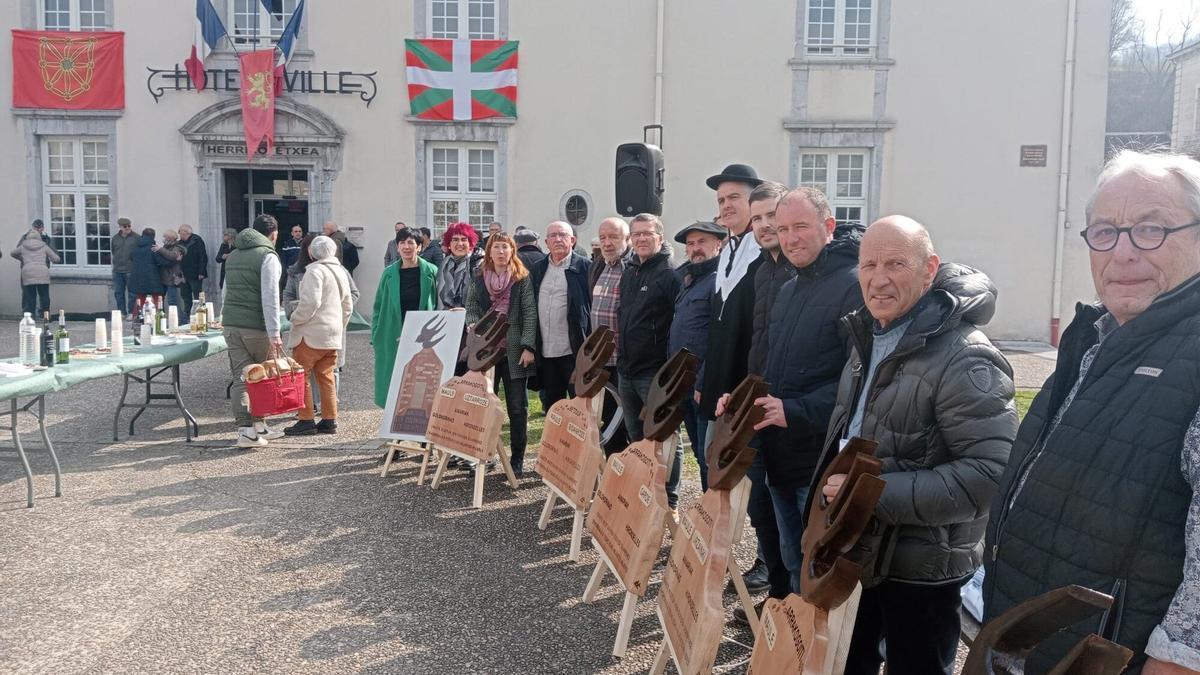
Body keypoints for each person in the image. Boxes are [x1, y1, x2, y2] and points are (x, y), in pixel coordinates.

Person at [985, 151, 1200, 675]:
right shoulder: (1097, 339)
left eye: (1151, 228)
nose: (1122, 252)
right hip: (1038, 643)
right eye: (1105, 231)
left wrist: (1177, 661)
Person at [807, 216, 1016, 675]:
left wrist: (866, 494)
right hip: (860, 546)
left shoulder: (967, 355)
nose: (878, 279)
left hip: (922, 567)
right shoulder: (870, 333)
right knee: (846, 661)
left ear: (929, 269)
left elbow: (989, 475)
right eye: (869, 265)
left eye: (896, 264)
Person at [747, 187, 863, 603]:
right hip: (780, 452)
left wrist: (795, 410)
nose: (791, 238)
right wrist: (744, 403)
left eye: (800, 227)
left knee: (822, 568)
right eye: (783, 229)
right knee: (792, 556)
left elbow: (858, 380)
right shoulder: (789, 289)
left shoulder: (854, 287)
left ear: (828, 227)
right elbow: (775, 369)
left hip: (821, 459)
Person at [699, 163, 770, 594]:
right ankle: (716, 548)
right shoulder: (726, 252)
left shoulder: (763, 255)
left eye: (734, 199)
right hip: (720, 386)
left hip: (749, 387)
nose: (725, 206)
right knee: (717, 468)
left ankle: (763, 559)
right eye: (721, 200)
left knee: (757, 480)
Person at [616, 214, 683, 508]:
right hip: (627, 368)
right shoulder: (630, 271)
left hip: (654, 371)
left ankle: (669, 499)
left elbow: (678, 324)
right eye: (636, 234)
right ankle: (644, 489)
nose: (641, 239)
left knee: (665, 436)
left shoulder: (670, 273)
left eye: (647, 233)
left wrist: (669, 369)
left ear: (659, 236)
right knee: (637, 436)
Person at [465, 233, 537, 475]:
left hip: (514, 349)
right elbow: (472, 306)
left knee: (517, 407)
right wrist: (475, 326)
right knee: (486, 405)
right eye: (496, 247)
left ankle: (517, 458)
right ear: (489, 251)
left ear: (512, 250)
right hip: (487, 349)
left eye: (505, 247)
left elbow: (529, 312)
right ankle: (486, 455)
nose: (501, 252)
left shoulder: (521, 278)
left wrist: (528, 346)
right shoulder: (478, 278)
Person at [221, 214, 287, 448]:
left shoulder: (234, 255)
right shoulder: (268, 256)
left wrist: (224, 317)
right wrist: (275, 332)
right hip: (256, 326)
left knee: (241, 376)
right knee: (262, 377)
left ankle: (251, 428)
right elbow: (270, 296)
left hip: (231, 324)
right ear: (273, 234)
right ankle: (252, 429)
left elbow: (225, 291)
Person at [667, 220, 724, 485]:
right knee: (699, 454)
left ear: (718, 244)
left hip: (704, 386)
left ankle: (712, 517)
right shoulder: (688, 280)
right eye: (691, 244)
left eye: (702, 242)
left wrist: (706, 382)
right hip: (682, 383)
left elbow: (720, 337)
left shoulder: (720, 281)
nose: (695, 248)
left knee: (707, 456)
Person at [283, 235, 353, 436]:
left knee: (301, 375)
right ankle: (330, 419)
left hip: (311, 333)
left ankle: (305, 419)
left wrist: (295, 318)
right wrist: (340, 326)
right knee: (327, 376)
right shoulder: (340, 271)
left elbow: (309, 303)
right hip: (332, 333)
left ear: (311, 252)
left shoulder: (314, 271)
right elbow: (347, 304)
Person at [371, 227, 438, 409]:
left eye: (411, 243)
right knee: (393, 379)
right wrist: (376, 334)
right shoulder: (389, 273)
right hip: (392, 332)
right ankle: (393, 425)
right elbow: (377, 306)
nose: (406, 247)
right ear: (397, 247)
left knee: (420, 379)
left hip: (422, 334)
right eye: (402, 243)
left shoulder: (431, 272)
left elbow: (438, 302)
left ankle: (415, 425)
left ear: (419, 247)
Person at [530, 221, 592, 408]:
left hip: (573, 351)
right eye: (553, 236)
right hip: (546, 352)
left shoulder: (586, 268)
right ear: (546, 241)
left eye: (563, 235)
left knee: (579, 406)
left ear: (572, 240)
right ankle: (554, 438)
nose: (558, 239)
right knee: (552, 406)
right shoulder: (537, 268)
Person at [589, 217, 631, 455]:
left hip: (623, 358)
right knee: (607, 418)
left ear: (626, 239)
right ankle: (612, 474)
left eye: (613, 237)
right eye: (603, 237)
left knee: (625, 422)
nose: (607, 243)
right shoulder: (599, 266)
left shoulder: (631, 267)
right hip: (601, 360)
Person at [11, 224, 60, 316]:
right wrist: (50, 259)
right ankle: (46, 316)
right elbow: (56, 258)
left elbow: (12, 253)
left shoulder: (23, 246)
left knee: (30, 296)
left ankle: (31, 317)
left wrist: (22, 259)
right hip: (42, 272)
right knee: (44, 295)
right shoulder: (44, 246)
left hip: (28, 272)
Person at [129, 227, 167, 307]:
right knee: (157, 299)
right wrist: (173, 260)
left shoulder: (136, 247)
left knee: (140, 299)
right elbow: (162, 262)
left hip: (138, 277)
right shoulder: (153, 248)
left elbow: (131, 257)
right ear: (153, 236)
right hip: (152, 277)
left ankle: (136, 317)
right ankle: (158, 317)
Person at [178, 224, 208, 317]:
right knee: (185, 295)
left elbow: (203, 256)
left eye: (181, 233)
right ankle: (187, 315)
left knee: (197, 296)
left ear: (186, 233)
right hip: (183, 273)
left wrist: (201, 272)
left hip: (195, 273)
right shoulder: (180, 243)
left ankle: (200, 315)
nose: (180, 235)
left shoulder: (197, 241)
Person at [110, 217, 137, 314]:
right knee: (118, 293)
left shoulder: (136, 238)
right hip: (117, 270)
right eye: (125, 226)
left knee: (132, 293)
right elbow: (113, 251)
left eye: (129, 226)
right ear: (120, 227)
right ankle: (121, 312)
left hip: (130, 269)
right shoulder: (115, 238)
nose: (128, 228)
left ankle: (131, 313)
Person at [156, 229, 187, 310]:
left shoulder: (177, 247)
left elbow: (172, 256)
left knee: (172, 301)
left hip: (171, 278)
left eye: (165, 237)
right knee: (161, 301)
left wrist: (160, 249)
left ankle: (180, 320)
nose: (164, 238)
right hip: (164, 277)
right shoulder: (166, 247)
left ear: (170, 238)